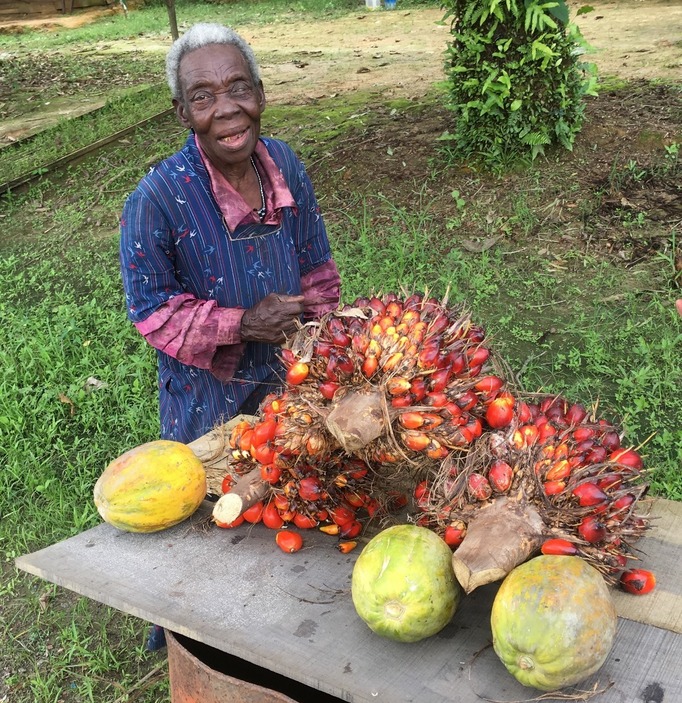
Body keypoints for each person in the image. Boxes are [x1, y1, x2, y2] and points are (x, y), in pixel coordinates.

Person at [120, 22, 341, 448]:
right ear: (182, 112)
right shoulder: (155, 199)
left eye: (238, 88)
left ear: (260, 94)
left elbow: (317, 269)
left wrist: (324, 351)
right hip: (208, 405)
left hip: (295, 384)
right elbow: (153, 314)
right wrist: (245, 324)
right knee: (215, 502)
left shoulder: (285, 163)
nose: (226, 109)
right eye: (202, 97)